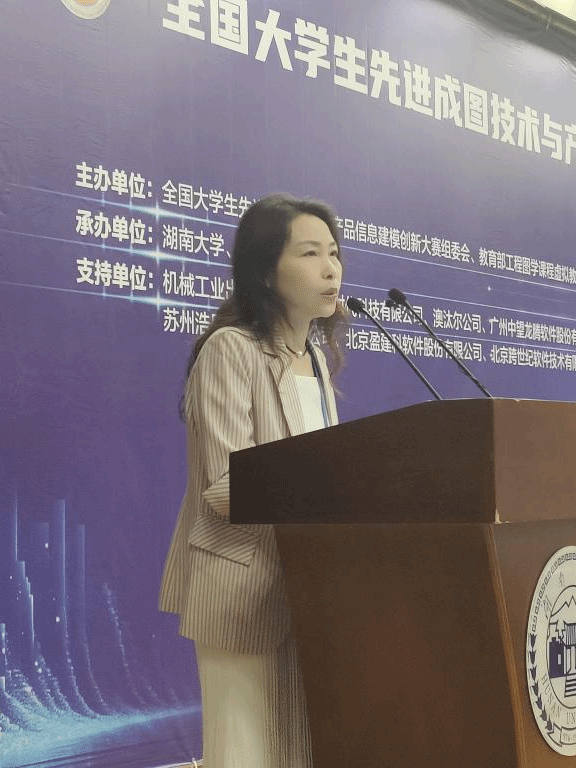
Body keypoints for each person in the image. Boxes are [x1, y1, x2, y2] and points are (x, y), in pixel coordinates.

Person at [159, 193, 346, 767]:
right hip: (241, 584)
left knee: (297, 752)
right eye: (310, 253)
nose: (330, 269)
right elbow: (223, 483)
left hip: (307, 584)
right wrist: (326, 495)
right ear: (265, 272)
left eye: (334, 253)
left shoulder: (315, 360)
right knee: (244, 754)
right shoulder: (230, 350)